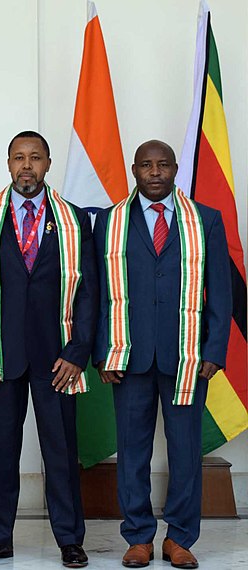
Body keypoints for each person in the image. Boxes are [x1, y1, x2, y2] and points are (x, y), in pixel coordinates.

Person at [93, 140, 231, 570]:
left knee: (185, 450)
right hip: (129, 356)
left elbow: (221, 292)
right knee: (132, 451)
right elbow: (97, 292)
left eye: (163, 165)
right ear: (134, 170)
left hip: (188, 356)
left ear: (175, 169)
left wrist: (214, 348)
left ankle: (180, 538)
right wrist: (103, 351)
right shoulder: (111, 221)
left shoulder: (205, 220)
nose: (155, 172)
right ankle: (138, 537)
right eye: (146, 165)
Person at [0, 131, 96, 568]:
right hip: (0, 356)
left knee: (60, 452)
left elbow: (90, 293)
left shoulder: (75, 221)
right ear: (7, 163)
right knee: (0, 453)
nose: (27, 166)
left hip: (56, 357)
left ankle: (69, 540)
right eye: (19, 158)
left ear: (48, 162)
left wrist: (78, 352)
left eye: (35, 157)